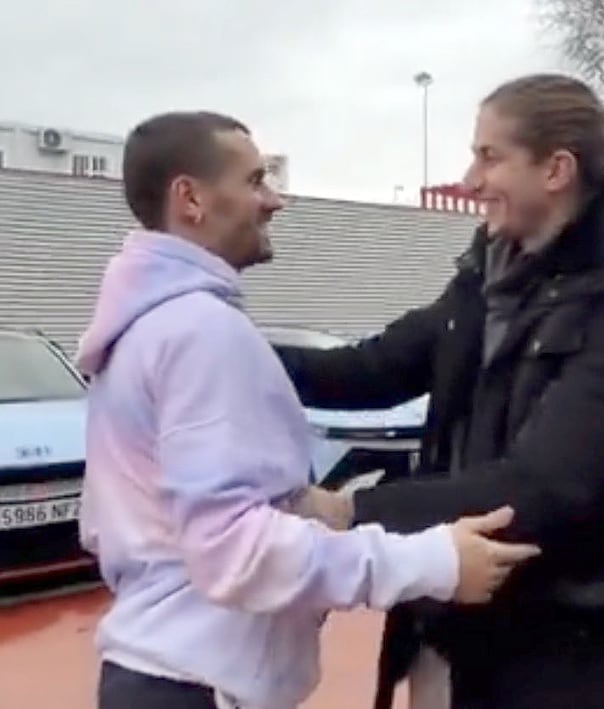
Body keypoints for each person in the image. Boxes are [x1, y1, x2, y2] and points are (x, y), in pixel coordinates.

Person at [74, 111, 541, 709]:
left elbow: (107, 525)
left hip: (158, 671)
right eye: (254, 180)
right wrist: (430, 561)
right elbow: (237, 550)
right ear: (190, 199)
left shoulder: (144, 330)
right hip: (198, 684)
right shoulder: (200, 333)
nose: (275, 199)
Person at [278, 74, 604, 709]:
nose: (471, 180)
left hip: (565, 657)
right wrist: (233, 352)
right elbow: (375, 367)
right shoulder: (486, 277)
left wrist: (349, 512)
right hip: (449, 631)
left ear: (555, 170)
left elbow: (546, 488)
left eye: (489, 157)